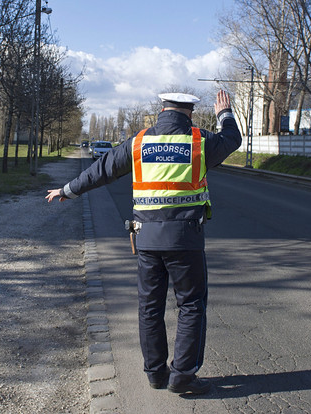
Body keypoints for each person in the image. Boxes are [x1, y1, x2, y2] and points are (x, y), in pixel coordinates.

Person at [46, 90, 241, 395]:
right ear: (188, 112)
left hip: (146, 239)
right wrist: (224, 113)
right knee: (190, 306)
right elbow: (232, 140)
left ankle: (155, 373)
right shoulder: (199, 141)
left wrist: (68, 190)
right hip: (186, 239)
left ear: (162, 110)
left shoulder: (139, 142)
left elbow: (103, 169)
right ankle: (183, 376)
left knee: (149, 307)